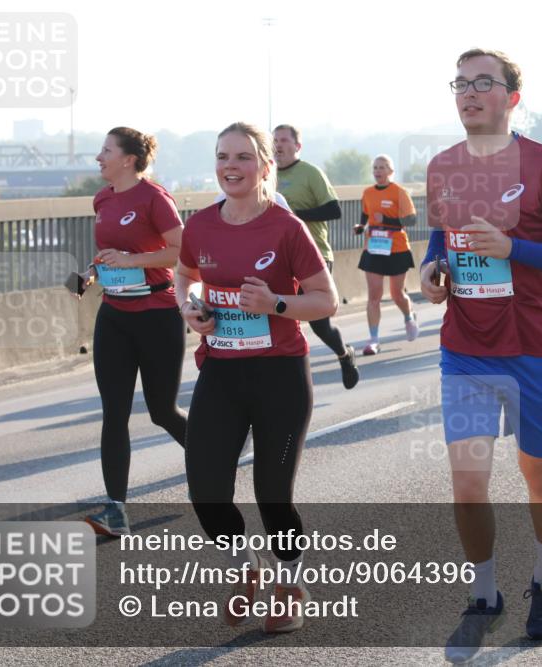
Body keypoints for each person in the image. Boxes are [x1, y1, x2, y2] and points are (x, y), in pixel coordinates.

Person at [420, 48, 542, 663]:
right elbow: (440, 238)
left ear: (511, 97)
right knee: (468, 485)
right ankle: (485, 593)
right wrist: (432, 271)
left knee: (538, 475)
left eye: (482, 83)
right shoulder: (442, 167)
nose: (468, 93)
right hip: (465, 350)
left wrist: (514, 247)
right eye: (460, 84)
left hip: (532, 351)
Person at [176, 122, 338, 632]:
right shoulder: (200, 225)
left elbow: (326, 300)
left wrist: (275, 303)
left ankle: (289, 585)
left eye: (244, 157)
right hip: (221, 373)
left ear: (266, 166)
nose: (231, 166)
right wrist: (190, 309)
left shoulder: (286, 228)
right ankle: (246, 571)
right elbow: (183, 275)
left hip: (280, 377)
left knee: (273, 493)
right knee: (205, 490)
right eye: (224, 156)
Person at [84, 127, 187, 537]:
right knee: (115, 414)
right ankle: (116, 511)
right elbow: (110, 254)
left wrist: (132, 259)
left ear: (128, 159)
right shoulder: (103, 198)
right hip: (114, 316)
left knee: (162, 411)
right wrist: (91, 274)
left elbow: (183, 251)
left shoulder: (154, 198)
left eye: (105, 151)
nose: (98, 157)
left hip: (157, 316)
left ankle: (214, 459)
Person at [273, 124, 359, 389]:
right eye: (274, 140)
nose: (278, 145)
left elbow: (334, 210)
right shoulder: (265, 175)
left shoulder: (311, 173)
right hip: (277, 259)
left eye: (284, 140)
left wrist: (294, 217)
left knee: (319, 324)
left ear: (297, 146)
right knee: (279, 320)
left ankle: (344, 355)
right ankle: (286, 383)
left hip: (314, 255)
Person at [355, 154, 420, 355]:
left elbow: (411, 221)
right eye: (375, 167)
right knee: (374, 296)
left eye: (383, 167)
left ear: (391, 172)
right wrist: (360, 226)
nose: (378, 171)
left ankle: (409, 317)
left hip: (397, 248)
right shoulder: (367, 193)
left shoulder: (399, 192)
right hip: (374, 248)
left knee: (396, 293)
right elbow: (366, 216)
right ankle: (373, 339)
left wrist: (387, 221)